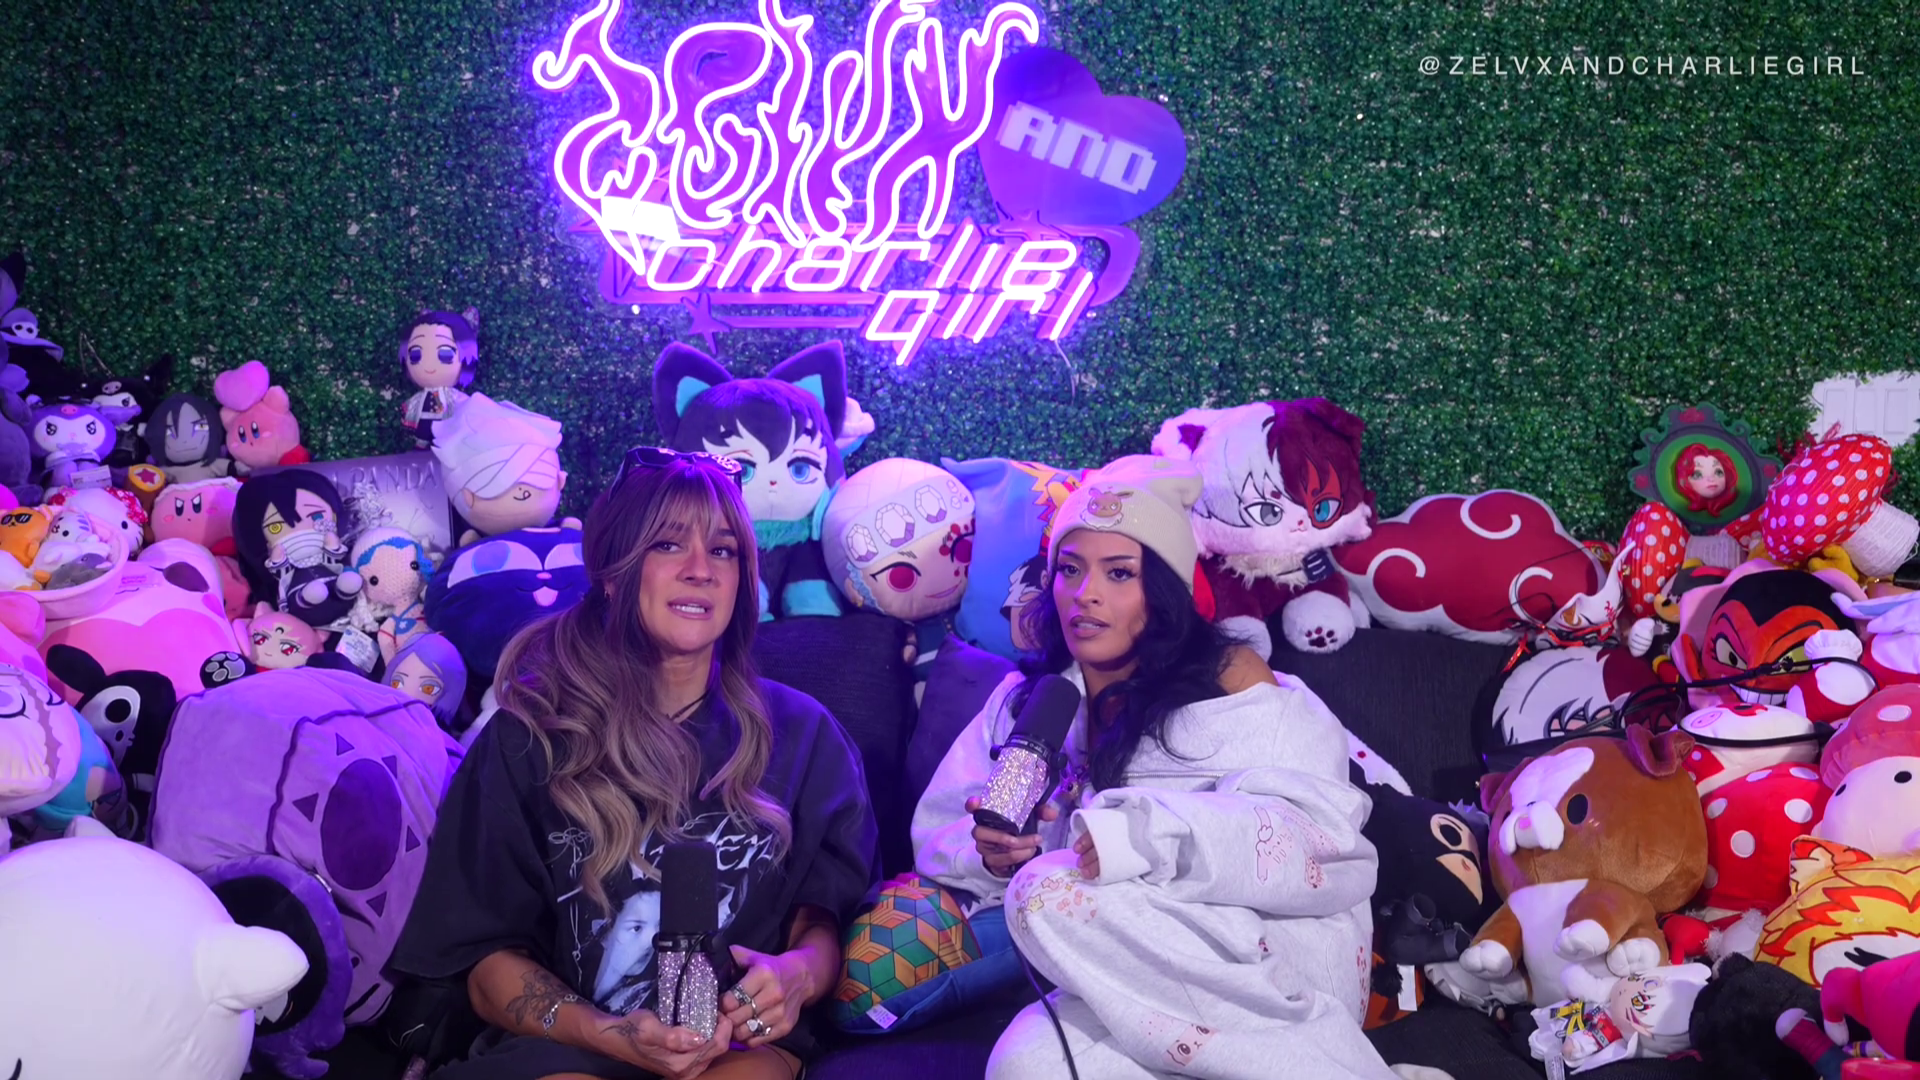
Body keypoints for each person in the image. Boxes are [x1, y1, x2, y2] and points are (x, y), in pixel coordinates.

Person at [391, 447, 878, 1080]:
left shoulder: (805, 735)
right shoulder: (529, 738)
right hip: (574, 1047)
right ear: (615, 575)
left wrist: (797, 977)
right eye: (668, 545)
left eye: (724, 550)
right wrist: (613, 1035)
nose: (701, 570)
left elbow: (824, 920)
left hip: (736, 1051)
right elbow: (484, 972)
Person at [911, 455, 1400, 1079]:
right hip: (1122, 972)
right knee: (1025, 1065)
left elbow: (1320, 844)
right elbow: (937, 831)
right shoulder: (1023, 705)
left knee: (1048, 892)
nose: (1085, 593)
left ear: (1165, 591)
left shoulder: (1231, 681)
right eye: (1070, 569)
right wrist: (997, 855)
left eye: (1119, 573)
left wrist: (1141, 834)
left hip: (1267, 966)